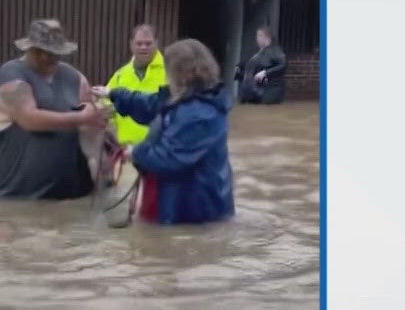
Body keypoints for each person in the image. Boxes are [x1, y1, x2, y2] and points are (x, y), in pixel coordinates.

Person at [94, 38, 234, 225]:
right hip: (182, 200)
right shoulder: (183, 99)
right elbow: (150, 104)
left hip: (194, 210)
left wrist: (135, 152)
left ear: (181, 73)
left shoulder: (198, 114)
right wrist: (113, 93)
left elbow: (170, 158)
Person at [0, 18, 112, 201]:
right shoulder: (11, 75)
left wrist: (104, 169)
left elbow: (91, 132)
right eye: (44, 52)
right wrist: (81, 118)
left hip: (68, 198)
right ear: (30, 49)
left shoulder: (75, 78)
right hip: (14, 198)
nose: (50, 58)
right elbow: (29, 119)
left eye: (56, 53)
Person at [104, 25, 166, 147]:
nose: (143, 47)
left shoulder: (170, 72)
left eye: (148, 43)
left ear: (157, 43)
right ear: (131, 44)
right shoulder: (120, 75)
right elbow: (106, 108)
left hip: (160, 153)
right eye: (139, 43)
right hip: (126, 152)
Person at [237, 25, 287, 105]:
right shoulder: (256, 53)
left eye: (260, 35)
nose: (257, 38)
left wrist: (265, 73)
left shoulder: (275, 51)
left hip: (268, 91)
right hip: (252, 91)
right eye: (257, 35)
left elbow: (283, 65)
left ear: (268, 38)